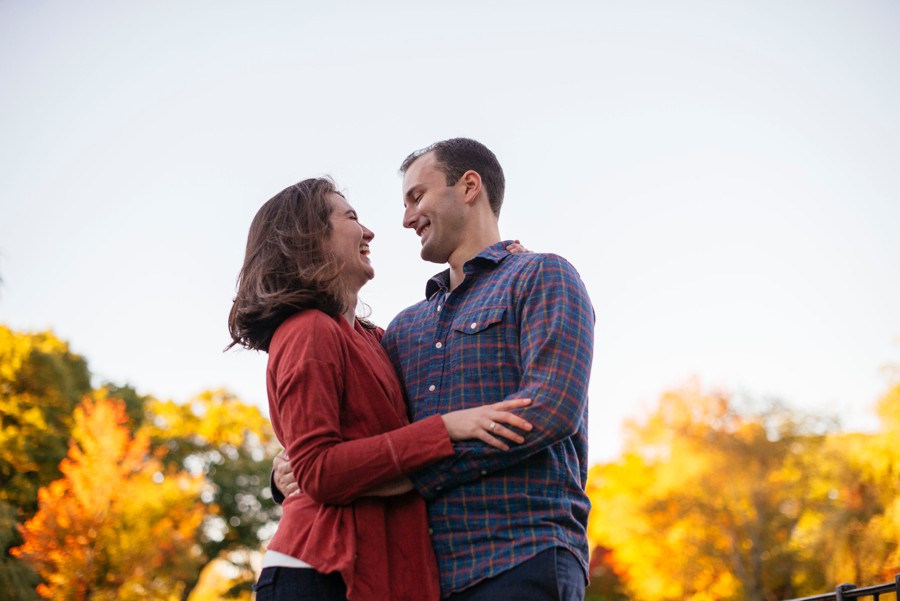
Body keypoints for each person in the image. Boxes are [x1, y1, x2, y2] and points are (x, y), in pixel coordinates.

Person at [275, 138, 595, 601]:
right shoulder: (402, 329)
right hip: (417, 577)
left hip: (523, 555)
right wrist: (289, 469)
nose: (405, 218)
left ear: (469, 186)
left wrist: (419, 473)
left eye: (417, 197)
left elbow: (549, 412)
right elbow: (355, 429)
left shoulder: (543, 277)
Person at [228, 177, 535, 601]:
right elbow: (318, 469)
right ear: (308, 238)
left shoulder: (375, 340)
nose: (370, 231)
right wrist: (446, 429)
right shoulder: (307, 331)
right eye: (351, 217)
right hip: (321, 570)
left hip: (377, 570)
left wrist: (503, 267)